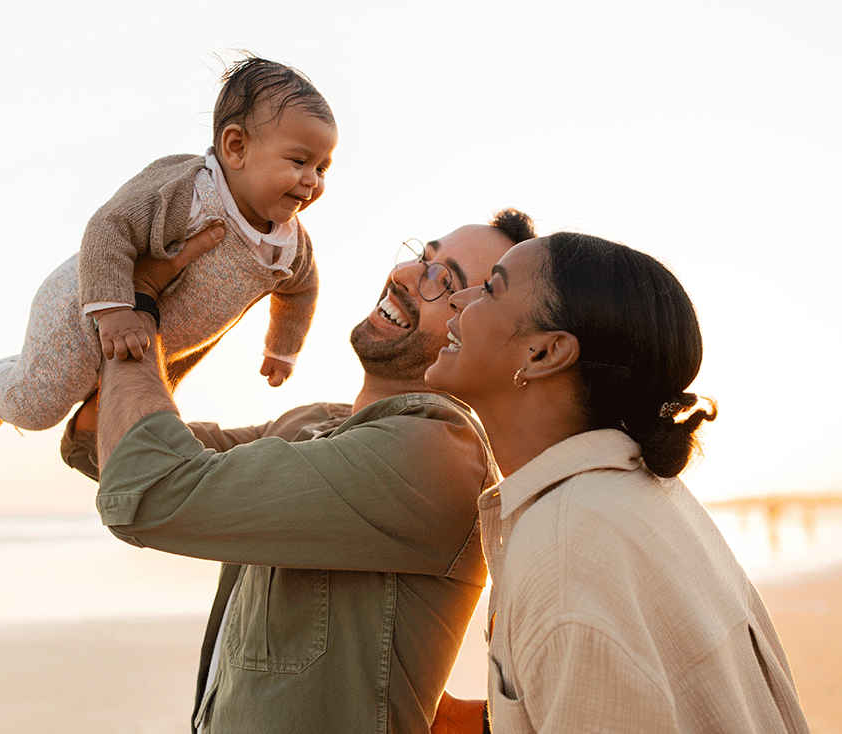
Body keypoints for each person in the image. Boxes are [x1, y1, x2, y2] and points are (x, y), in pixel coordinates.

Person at [62, 211, 538, 733]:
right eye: (422, 256)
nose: (405, 274)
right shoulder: (314, 423)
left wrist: (136, 306)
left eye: (442, 280)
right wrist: (190, 310)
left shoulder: (435, 450)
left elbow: (147, 486)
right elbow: (98, 442)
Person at [426, 233, 810, 733]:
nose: (459, 298)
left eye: (491, 290)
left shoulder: (565, 546)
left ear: (545, 353)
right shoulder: (640, 493)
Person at [0, 55, 337, 449]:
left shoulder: (289, 246)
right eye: (300, 161)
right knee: (38, 406)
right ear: (235, 147)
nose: (311, 182)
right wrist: (111, 311)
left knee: (119, 414)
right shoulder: (190, 192)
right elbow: (109, 228)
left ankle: (13, 377)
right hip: (84, 308)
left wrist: (283, 348)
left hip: (160, 342)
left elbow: (301, 289)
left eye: (322, 168)